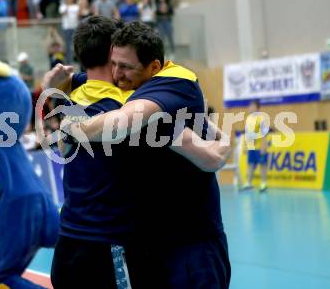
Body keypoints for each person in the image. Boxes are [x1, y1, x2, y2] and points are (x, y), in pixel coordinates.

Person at [45, 20, 231, 288]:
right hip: (143, 243)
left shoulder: (169, 87)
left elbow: (211, 158)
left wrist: (70, 124)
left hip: (191, 242)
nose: (119, 74)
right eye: (116, 64)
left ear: (152, 67)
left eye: (125, 66)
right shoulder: (121, 88)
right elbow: (88, 77)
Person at [241, 100, 268, 192]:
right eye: (249, 106)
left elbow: (265, 134)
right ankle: (248, 183)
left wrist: (263, 147)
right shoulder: (248, 119)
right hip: (251, 147)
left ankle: (263, 184)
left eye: (252, 106)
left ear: (257, 108)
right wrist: (245, 146)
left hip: (260, 147)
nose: (250, 108)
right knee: (251, 165)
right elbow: (247, 134)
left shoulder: (262, 118)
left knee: (262, 165)